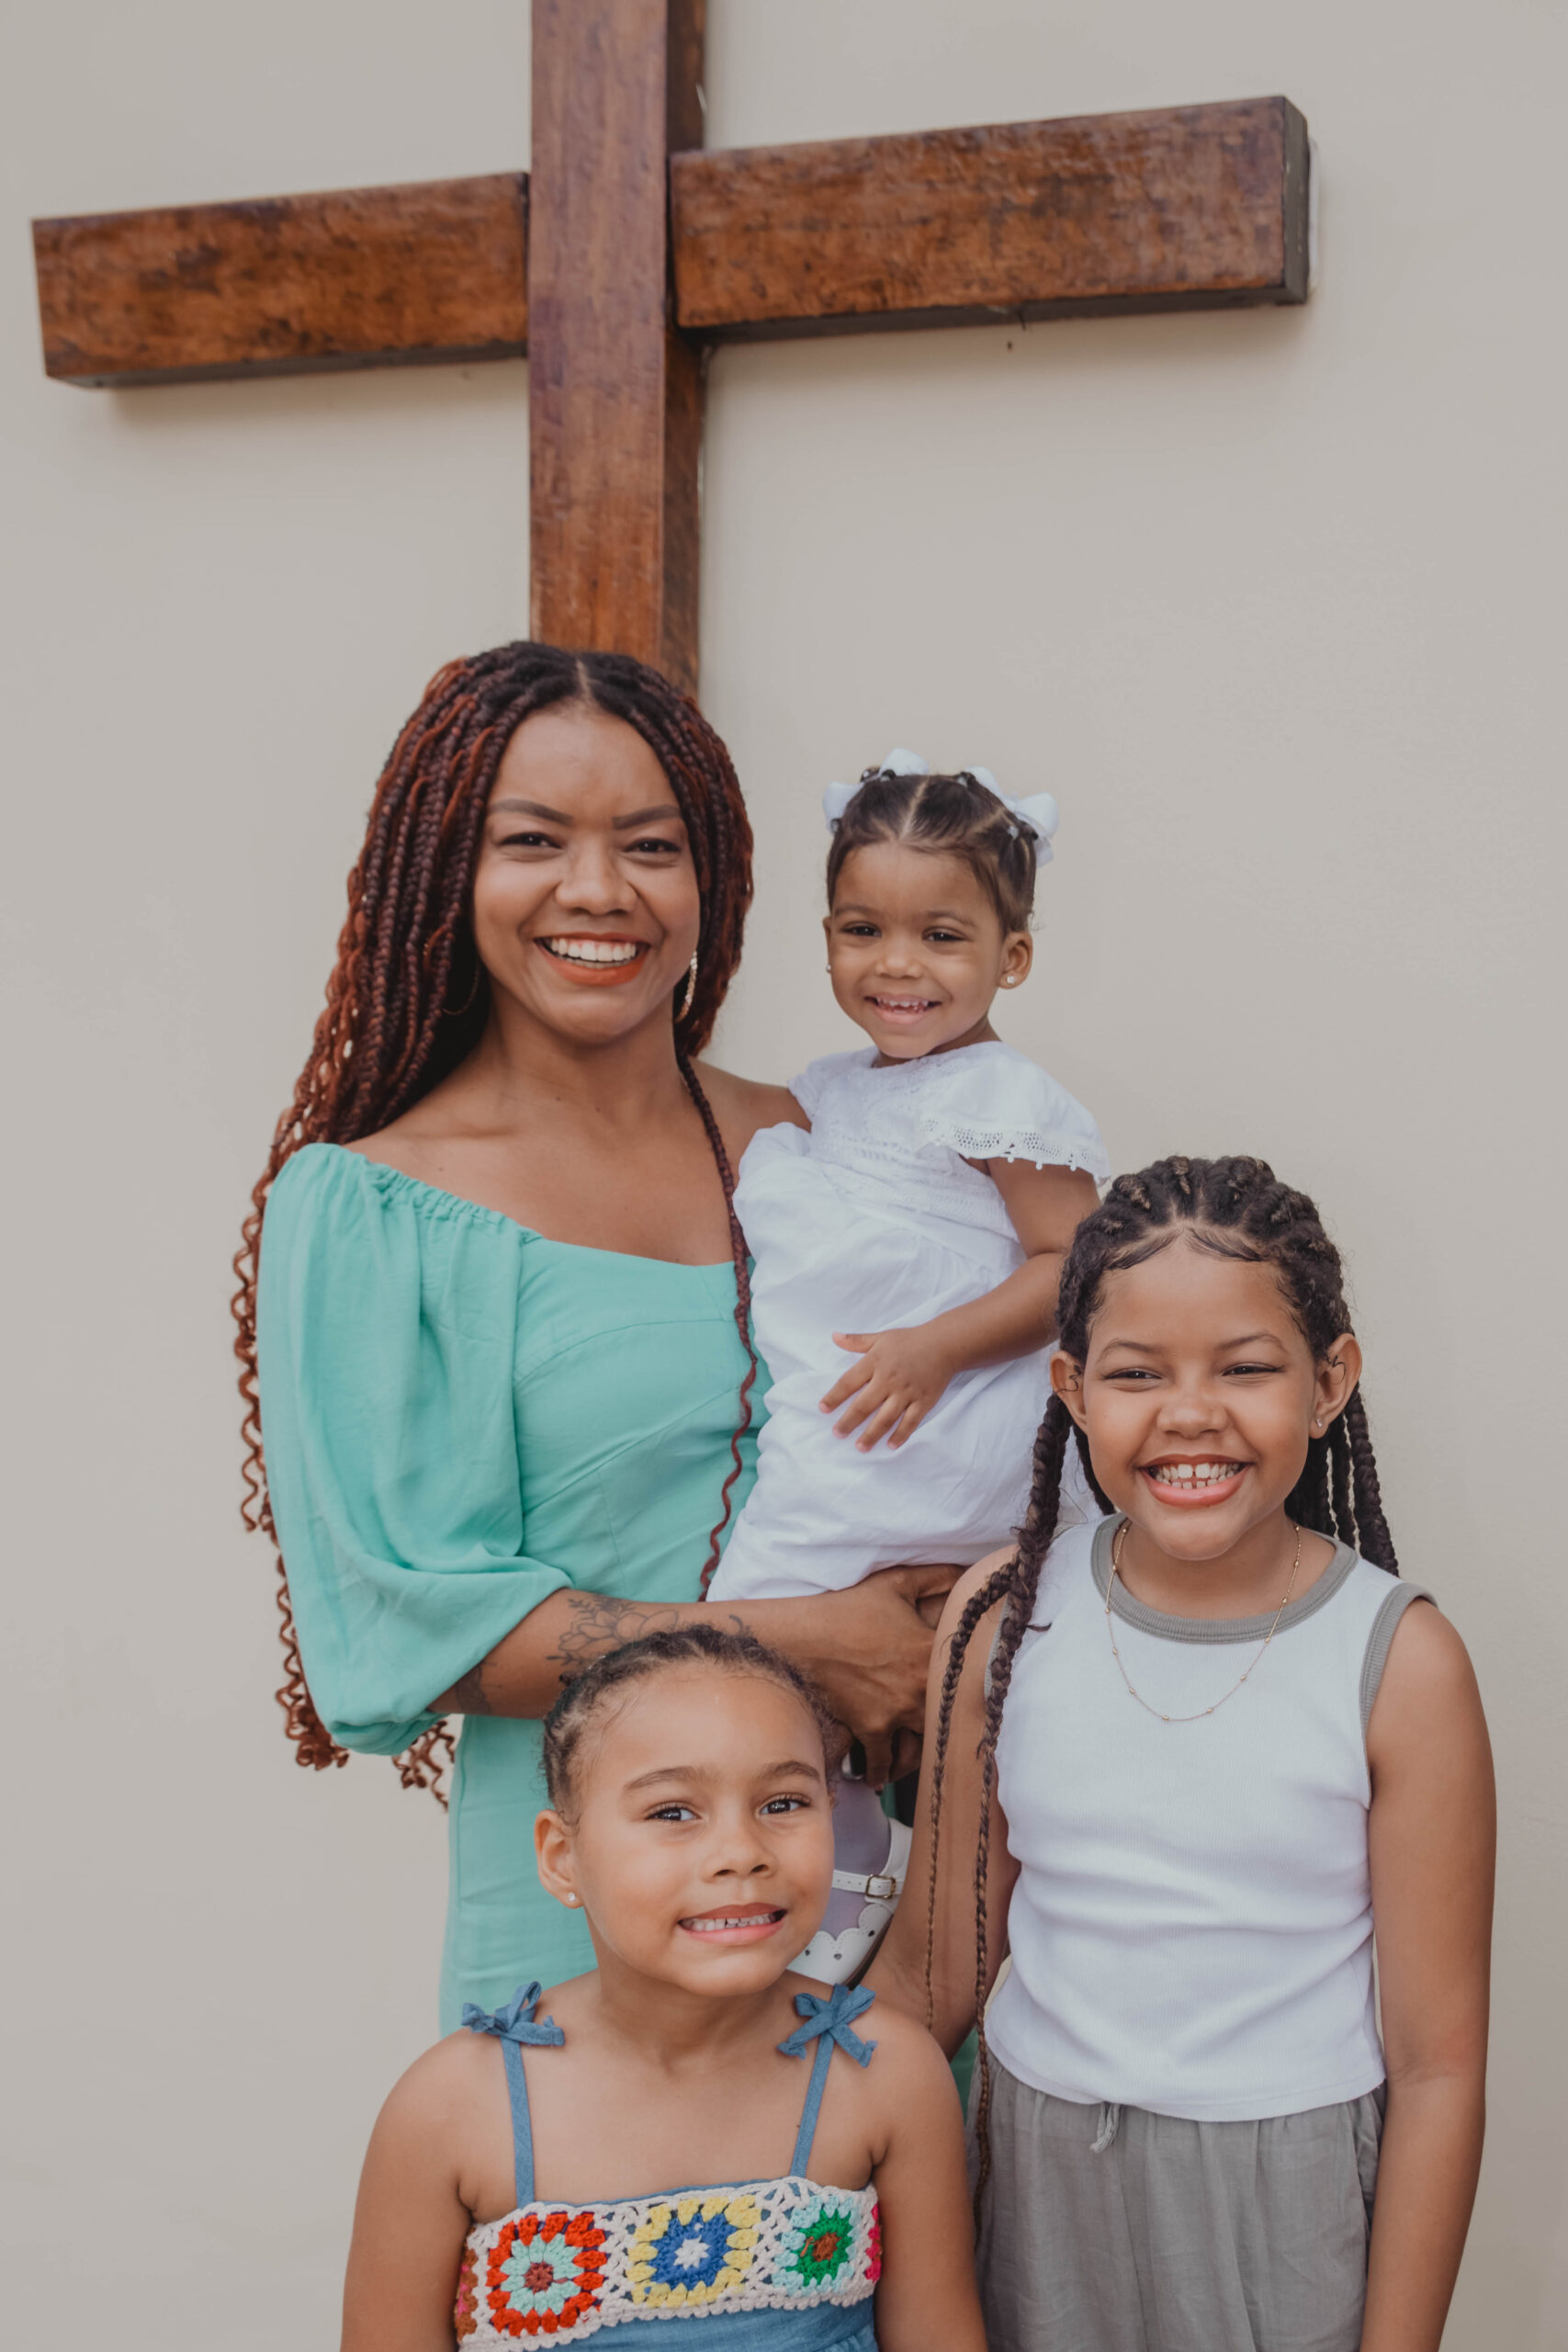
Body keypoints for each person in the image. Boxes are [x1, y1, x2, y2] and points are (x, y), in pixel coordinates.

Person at [237, 645, 958, 2027]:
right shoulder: (374, 1210)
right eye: (532, 842)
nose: (597, 889)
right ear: (446, 875)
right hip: (587, 1936)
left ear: (714, 880)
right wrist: (808, 1644)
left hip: (901, 1899)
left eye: (649, 844)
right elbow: (407, 1631)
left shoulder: (830, 1140)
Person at [870, 1156, 1495, 2352]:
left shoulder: (1400, 1663)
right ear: (1070, 1388)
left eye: (1245, 1368)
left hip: (1282, 2199)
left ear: (1328, 1383)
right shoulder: (1004, 1616)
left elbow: (1435, 2071)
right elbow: (927, 1978)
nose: (1189, 1413)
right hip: (1033, 2178)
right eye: (1135, 1373)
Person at [706, 751, 1108, 1979]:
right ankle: (828, 1863)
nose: (898, 965)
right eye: (862, 929)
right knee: (757, 1663)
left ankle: (884, 1895)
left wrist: (937, 1346)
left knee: (785, 1649)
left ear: (1011, 957)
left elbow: (1074, 1267)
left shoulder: (1004, 1099)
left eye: (941, 935)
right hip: (850, 1438)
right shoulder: (829, 1092)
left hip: (945, 1430)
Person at [341, 1624, 985, 2352]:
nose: (740, 1853)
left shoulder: (883, 2073)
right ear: (561, 1858)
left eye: (783, 1803)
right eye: (672, 1812)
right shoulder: (451, 2109)